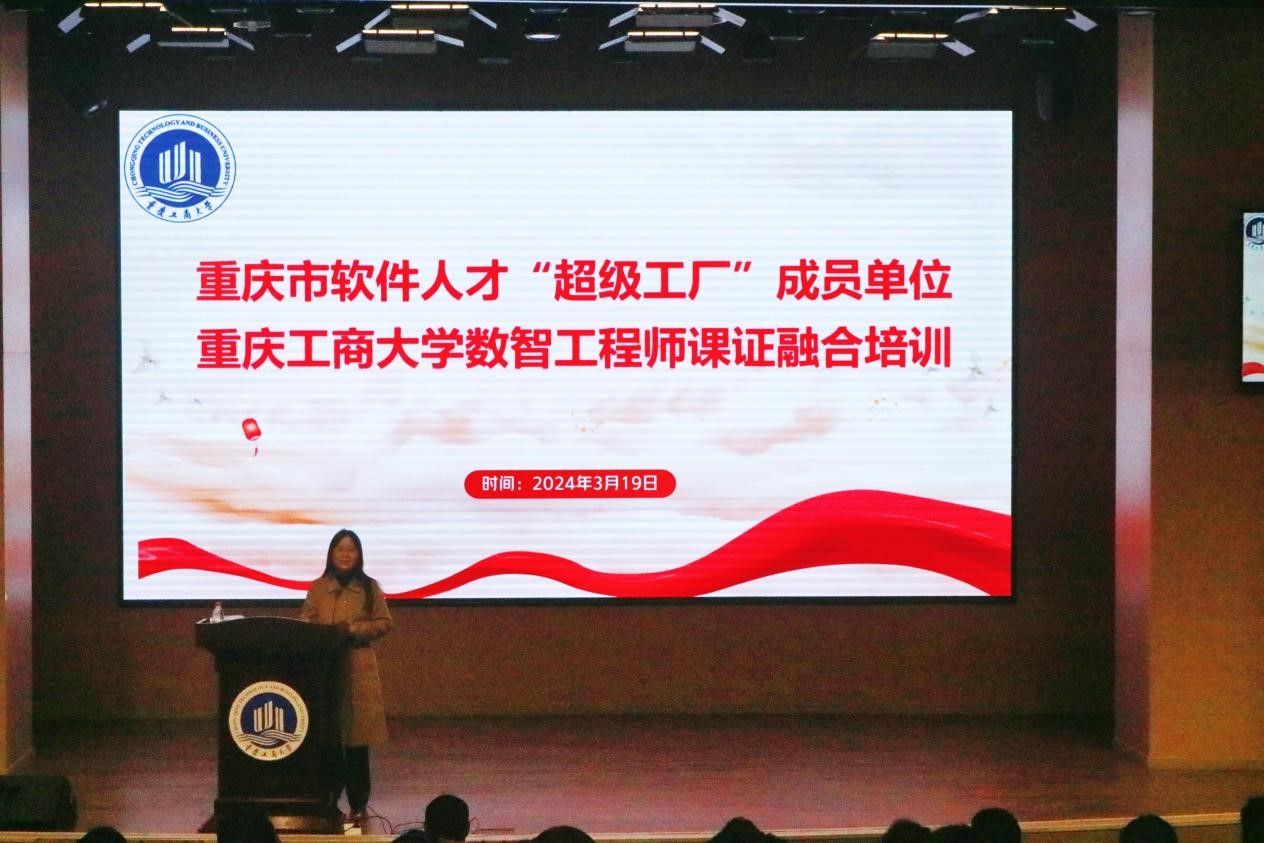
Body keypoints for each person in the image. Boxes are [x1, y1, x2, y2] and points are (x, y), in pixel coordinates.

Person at [301, 528, 393, 827]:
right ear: (331, 554)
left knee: (356, 739)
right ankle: (328, 797)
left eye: (351, 549)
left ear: (359, 555)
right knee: (327, 737)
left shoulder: (369, 587)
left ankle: (358, 801)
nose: (345, 554)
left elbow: (384, 622)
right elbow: (306, 620)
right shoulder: (318, 587)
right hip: (324, 669)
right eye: (340, 549)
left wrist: (354, 629)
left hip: (357, 667)